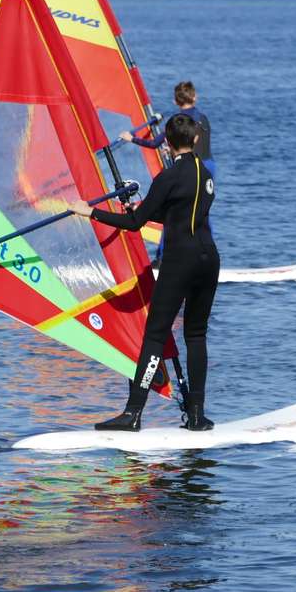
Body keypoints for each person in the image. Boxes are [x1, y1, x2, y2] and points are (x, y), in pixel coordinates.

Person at [72, 113, 219, 432]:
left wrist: (91, 213)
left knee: (154, 334)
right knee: (196, 335)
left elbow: (134, 224)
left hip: (180, 260)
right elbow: (182, 215)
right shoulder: (205, 174)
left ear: (166, 142)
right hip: (209, 260)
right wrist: (148, 208)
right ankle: (197, 415)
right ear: (194, 140)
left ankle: (133, 413)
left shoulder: (167, 178)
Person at [120, 80, 216, 179]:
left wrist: (131, 138)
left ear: (175, 101)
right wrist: (171, 149)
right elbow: (196, 142)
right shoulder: (203, 118)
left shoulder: (178, 121)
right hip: (209, 165)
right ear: (195, 97)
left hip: (193, 167)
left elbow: (154, 144)